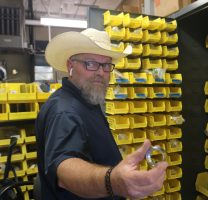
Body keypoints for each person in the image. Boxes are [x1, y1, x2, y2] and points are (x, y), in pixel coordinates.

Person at [35, 28, 168, 200]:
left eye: (106, 65)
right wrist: (113, 181)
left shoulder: (87, 99)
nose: (100, 72)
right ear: (70, 66)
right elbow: (64, 167)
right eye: (90, 63)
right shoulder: (64, 111)